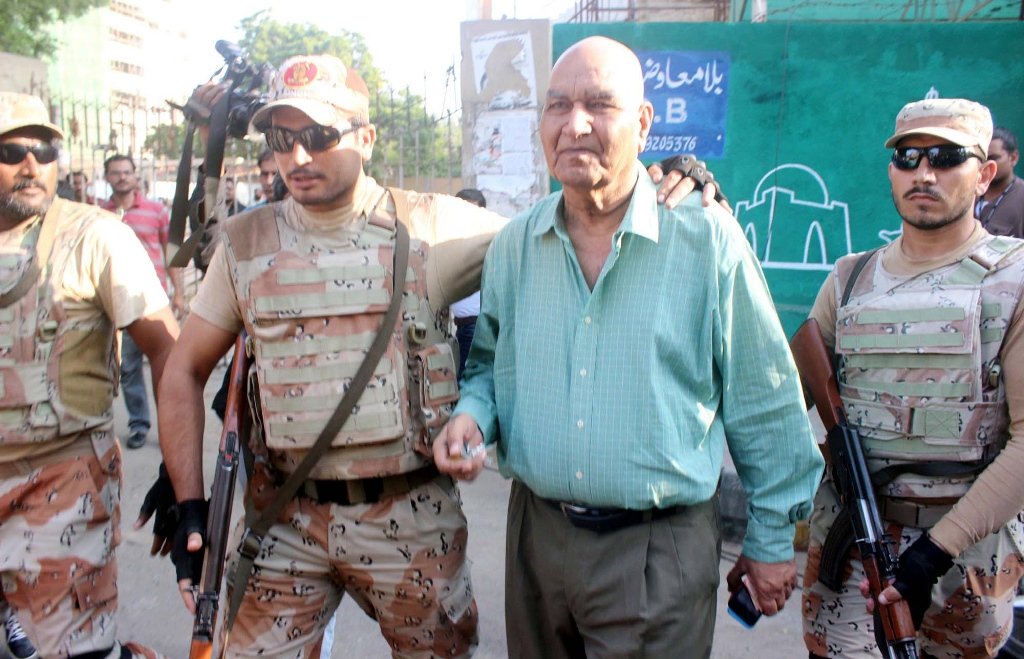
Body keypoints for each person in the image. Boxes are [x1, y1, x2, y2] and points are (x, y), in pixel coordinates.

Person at [157, 53, 718, 656]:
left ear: (366, 138)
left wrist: (662, 182)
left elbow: (571, 222)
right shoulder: (245, 245)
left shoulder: (433, 228)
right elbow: (183, 370)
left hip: (411, 521)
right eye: (281, 139)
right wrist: (190, 501)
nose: (297, 157)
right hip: (282, 520)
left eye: (319, 137)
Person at [433, 36, 824, 658]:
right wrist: (471, 417)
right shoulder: (514, 246)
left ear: (643, 123)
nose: (574, 124)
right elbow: (487, 365)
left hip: (656, 551)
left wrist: (773, 539)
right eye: (557, 106)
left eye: (599, 104)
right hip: (535, 537)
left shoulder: (706, 239)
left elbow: (765, 401)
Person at [800, 99, 1024, 658]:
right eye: (907, 157)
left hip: (964, 556)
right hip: (849, 546)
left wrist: (933, 554)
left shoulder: (1015, 277)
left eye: (947, 157)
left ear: (985, 174)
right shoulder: (850, 279)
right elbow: (780, 400)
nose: (924, 173)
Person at [0, 92, 177, 658]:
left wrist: (181, 473)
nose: (33, 166)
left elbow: (167, 350)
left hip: (59, 477)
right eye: (13, 151)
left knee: (71, 652)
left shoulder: (97, 236)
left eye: (45, 150)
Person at [101, 154, 184, 449]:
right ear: (107, 177)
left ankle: (169, 427)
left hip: (151, 303)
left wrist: (179, 292)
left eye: (126, 172)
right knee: (128, 369)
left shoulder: (156, 210)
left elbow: (170, 252)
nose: (122, 177)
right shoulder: (99, 214)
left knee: (165, 366)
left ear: (135, 176)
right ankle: (139, 424)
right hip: (114, 304)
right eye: (116, 173)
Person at [451, 188, 487, 379]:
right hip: (459, 328)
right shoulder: (449, 243)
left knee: (467, 383)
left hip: (476, 327)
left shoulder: (488, 244)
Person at [976, 126, 1023, 238]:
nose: (987, 164)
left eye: (994, 158)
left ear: (1013, 158)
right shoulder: (968, 192)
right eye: (982, 159)